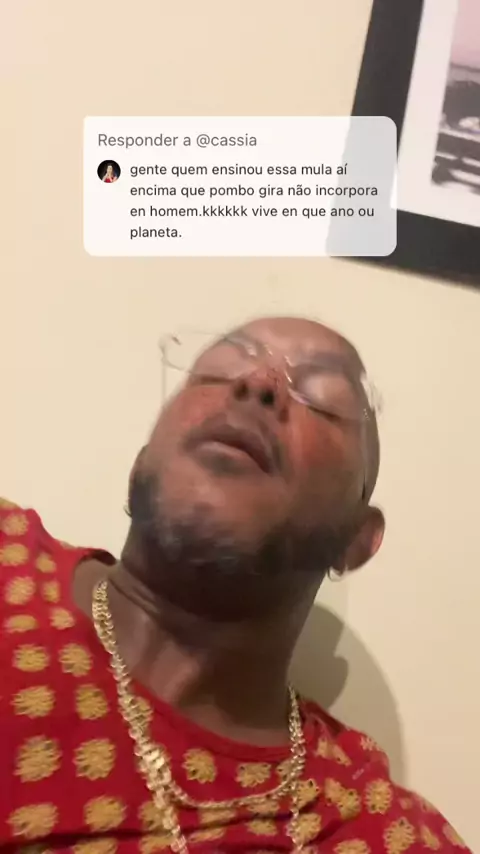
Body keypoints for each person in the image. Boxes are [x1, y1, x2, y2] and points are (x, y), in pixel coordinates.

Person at [0, 316, 471, 854]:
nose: (257, 383)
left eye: (322, 397)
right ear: (141, 464)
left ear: (355, 539)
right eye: (222, 367)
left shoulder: (375, 829)